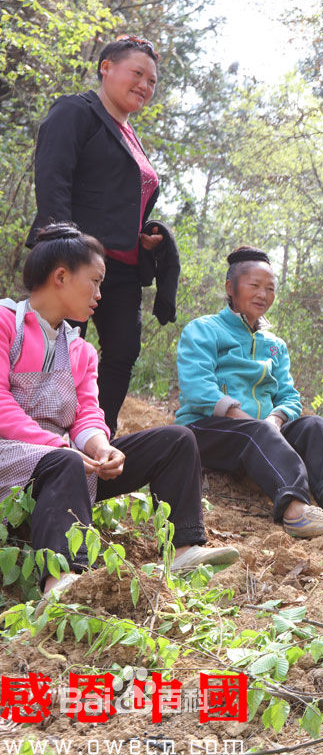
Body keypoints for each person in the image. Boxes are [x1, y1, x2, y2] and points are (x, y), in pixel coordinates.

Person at [0, 224, 238, 605]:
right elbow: (1, 405)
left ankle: (183, 548)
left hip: (65, 464)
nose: (99, 294)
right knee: (65, 461)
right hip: (11, 458)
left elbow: (86, 414)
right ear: (61, 277)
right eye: (94, 282)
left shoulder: (80, 350)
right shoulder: (5, 323)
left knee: (176, 440)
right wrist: (59, 448)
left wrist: (100, 448)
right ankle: (61, 579)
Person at [174, 247, 323, 538]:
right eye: (254, 285)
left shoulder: (274, 344)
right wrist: (245, 419)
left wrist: (274, 421)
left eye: (270, 288)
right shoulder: (203, 329)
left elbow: (289, 396)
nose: (262, 294)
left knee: (313, 425)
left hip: (261, 435)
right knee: (258, 431)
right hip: (206, 429)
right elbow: (197, 386)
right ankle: (296, 511)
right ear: (230, 288)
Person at [31, 35, 171, 432]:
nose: (144, 85)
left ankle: (96, 438)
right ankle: (42, 436)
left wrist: (144, 235)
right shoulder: (77, 111)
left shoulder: (131, 135)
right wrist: (62, 248)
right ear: (106, 67)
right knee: (58, 347)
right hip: (73, 259)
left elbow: (118, 200)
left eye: (152, 81)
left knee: (123, 352)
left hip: (122, 267)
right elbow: (53, 178)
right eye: (137, 73)